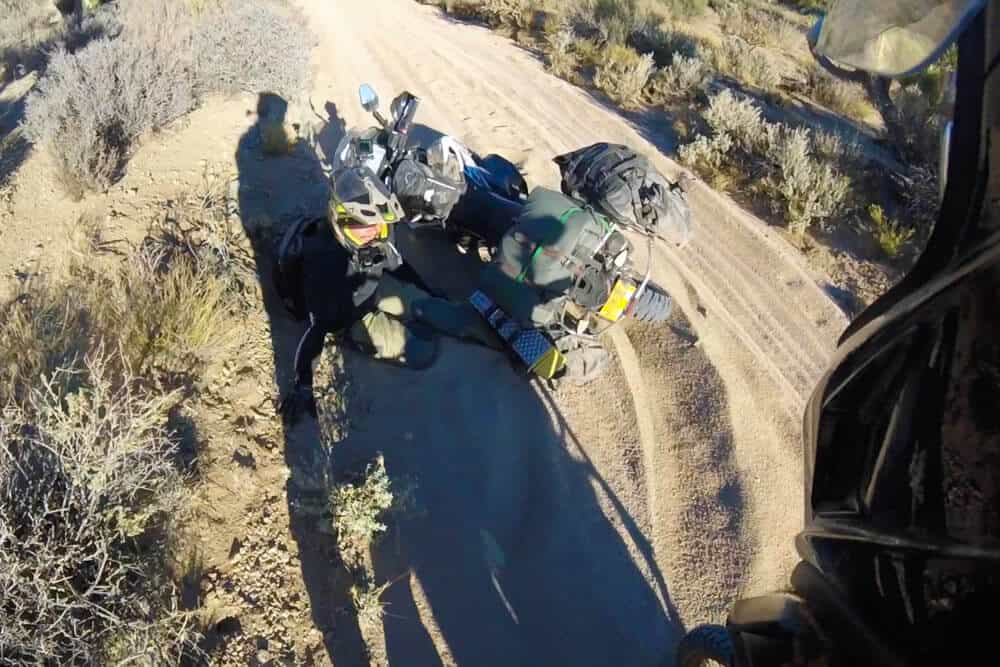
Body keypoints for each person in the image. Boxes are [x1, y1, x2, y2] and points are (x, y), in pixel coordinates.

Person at [277, 166, 495, 421]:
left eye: (378, 227)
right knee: (423, 351)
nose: (374, 233)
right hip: (351, 319)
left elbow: (398, 265)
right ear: (341, 221)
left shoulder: (376, 235)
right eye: (365, 226)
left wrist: (428, 293)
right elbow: (316, 330)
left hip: (374, 290)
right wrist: (303, 384)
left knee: (442, 310)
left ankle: (496, 337)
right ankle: (356, 339)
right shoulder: (326, 264)